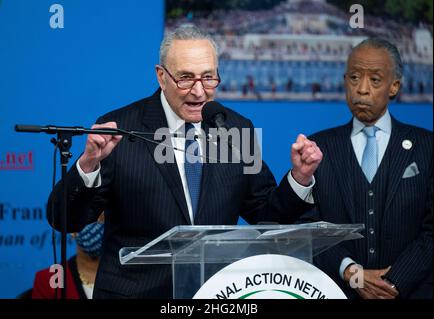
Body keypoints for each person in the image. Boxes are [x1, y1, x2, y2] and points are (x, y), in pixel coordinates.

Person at [47, 25, 323, 298]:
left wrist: (299, 179)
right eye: (186, 78)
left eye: (208, 77)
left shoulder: (236, 130)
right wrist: (89, 165)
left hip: (215, 294)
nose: (199, 92)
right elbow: (66, 220)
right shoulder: (121, 129)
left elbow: (267, 218)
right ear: (161, 76)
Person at [304, 38, 432, 299]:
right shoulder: (318, 148)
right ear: (344, 81)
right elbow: (307, 227)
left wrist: (393, 283)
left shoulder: (427, 147)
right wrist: (354, 275)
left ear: (394, 86)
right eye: (354, 77)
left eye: (375, 80)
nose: (362, 89)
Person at [32, 218, 104, 299]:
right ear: (71, 231)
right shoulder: (47, 280)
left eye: (101, 218)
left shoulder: (120, 276)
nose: (93, 225)